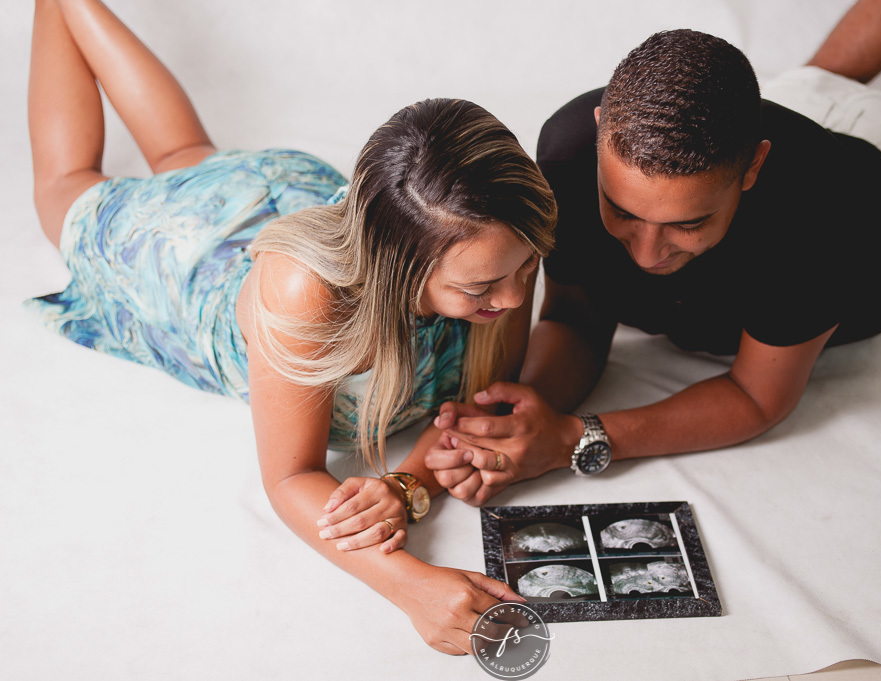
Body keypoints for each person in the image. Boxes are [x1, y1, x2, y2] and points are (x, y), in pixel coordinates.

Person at [24, 0, 557, 655]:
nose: (513, 296)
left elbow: (473, 404)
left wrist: (406, 485)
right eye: (480, 288)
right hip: (198, 261)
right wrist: (409, 585)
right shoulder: (305, 296)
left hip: (294, 188)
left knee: (187, 153)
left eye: (526, 267)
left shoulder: (504, 238)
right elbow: (289, 477)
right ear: (399, 267)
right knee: (63, 188)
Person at [423, 0, 881, 504]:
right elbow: (576, 317)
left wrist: (573, 438)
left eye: (688, 224)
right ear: (602, 129)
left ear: (752, 167)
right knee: (817, 79)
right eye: (624, 212)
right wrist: (518, 422)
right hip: (794, 107)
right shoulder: (568, 153)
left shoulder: (821, 218)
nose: (647, 254)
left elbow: (755, 396)